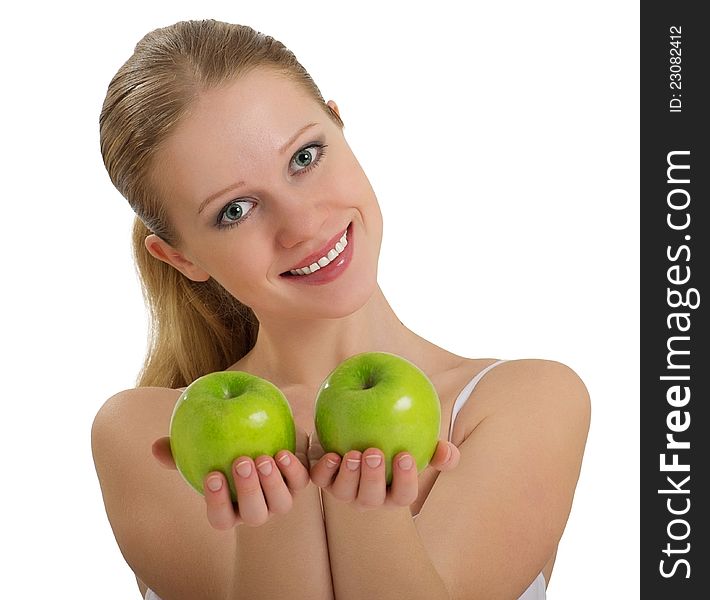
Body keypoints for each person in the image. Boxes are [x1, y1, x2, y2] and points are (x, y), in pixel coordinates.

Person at [91, 19, 590, 600]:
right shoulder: (146, 436)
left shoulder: (526, 400)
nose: (302, 225)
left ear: (339, 122)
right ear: (178, 256)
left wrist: (367, 514)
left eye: (304, 157)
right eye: (235, 210)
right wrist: (274, 523)